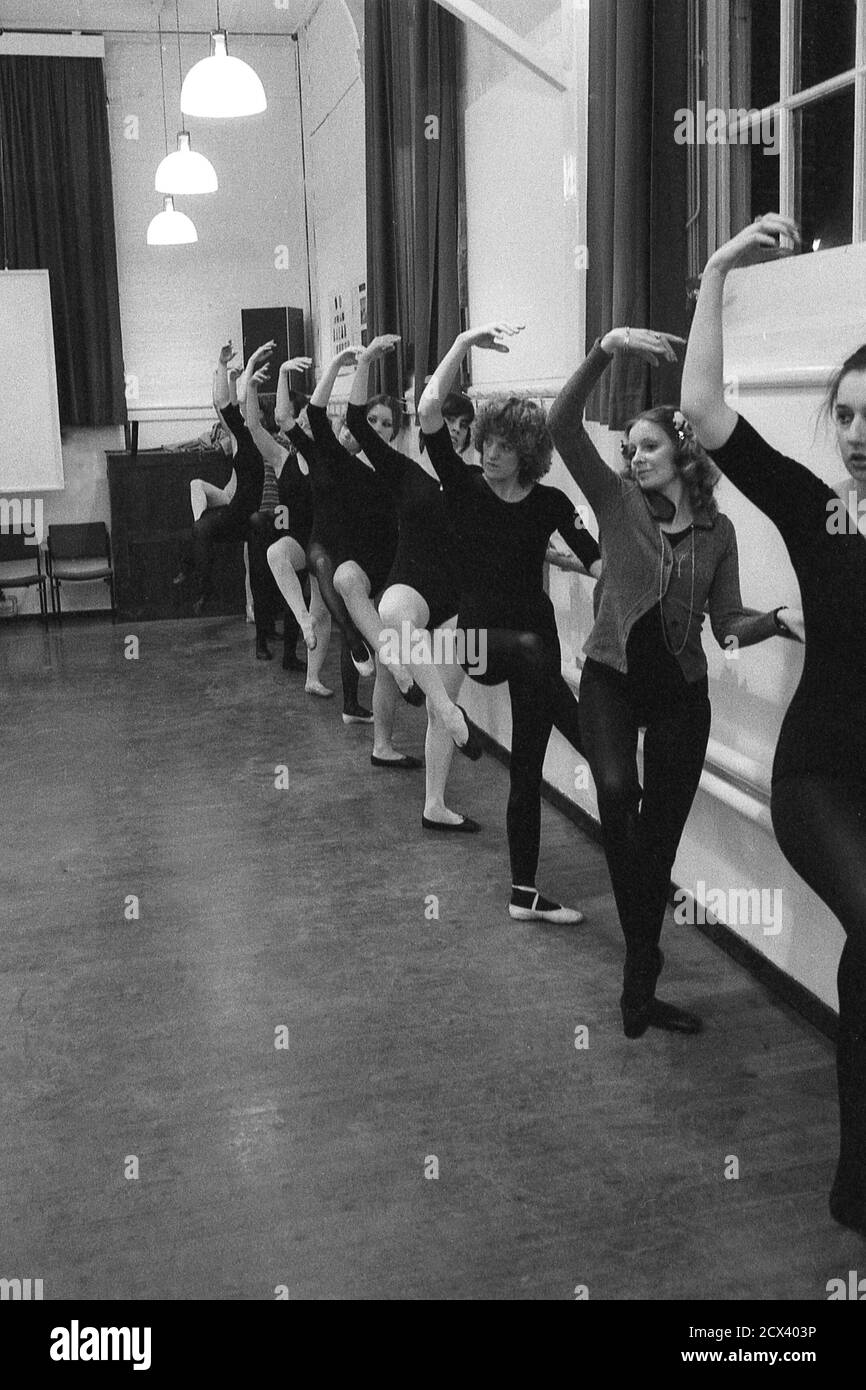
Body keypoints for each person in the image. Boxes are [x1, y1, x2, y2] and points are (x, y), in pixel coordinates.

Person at [680, 211, 866, 1236]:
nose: (852, 432)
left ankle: (853, 1177)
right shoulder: (811, 508)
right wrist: (716, 272)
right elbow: (700, 410)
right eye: (841, 414)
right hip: (818, 778)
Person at [548, 324, 801, 1038]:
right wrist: (605, 349)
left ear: (685, 449)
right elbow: (562, 428)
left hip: (682, 692)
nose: (634, 455)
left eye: (648, 444)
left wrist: (777, 622)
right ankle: (645, 963)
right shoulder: (616, 502)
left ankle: (640, 976)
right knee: (618, 792)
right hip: (610, 678)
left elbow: (725, 625)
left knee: (657, 844)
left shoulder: (718, 534)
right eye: (629, 448)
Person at [419, 322, 602, 922]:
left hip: (534, 649)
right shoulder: (465, 488)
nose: (489, 452)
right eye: (485, 441)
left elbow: (597, 557)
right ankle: (598, 747)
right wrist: (463, 343)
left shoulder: (550, 503)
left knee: (527, 769)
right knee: (532, 654)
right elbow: (425, 412)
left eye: (502, 445)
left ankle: (524, 893)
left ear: (527, 452)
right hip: (479, 642)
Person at [341, 334, 483, 830]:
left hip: (457, 600)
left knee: (443, 692)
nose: (460, 433)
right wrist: (364, 363)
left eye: (467, 427)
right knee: (394, 613)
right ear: (436, 428)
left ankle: (435, 805)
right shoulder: (404, 472)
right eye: (453, 424)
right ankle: (446, 711)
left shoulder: (478, 482)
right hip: (411, 586)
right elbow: (357, 421)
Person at [308, 348, 419, 767]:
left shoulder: (398, 469)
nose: (376, 427)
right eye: (371, 420)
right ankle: (388, 659)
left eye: (386, 423)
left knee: (384, 657)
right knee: (344, 577)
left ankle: (383, 745)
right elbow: (317, 416)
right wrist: (348, 364)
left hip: (393, 569)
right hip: (358, 569)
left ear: (394, 432)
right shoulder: (341, 461)